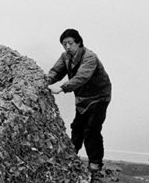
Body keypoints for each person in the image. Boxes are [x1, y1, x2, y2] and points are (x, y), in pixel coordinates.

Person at [46, 28, 112, 172]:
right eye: (64, 44)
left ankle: (95, 163)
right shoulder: (65, 57)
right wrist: (45, 81)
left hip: (98, 97)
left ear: (78, 42)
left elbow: (82, 77)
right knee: (77, 127)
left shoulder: (89, 57)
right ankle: (70, 157)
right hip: (82, 99)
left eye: (70, 43)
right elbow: (56, 71)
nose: (67, 47)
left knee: (91, 130)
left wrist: (62, 88)